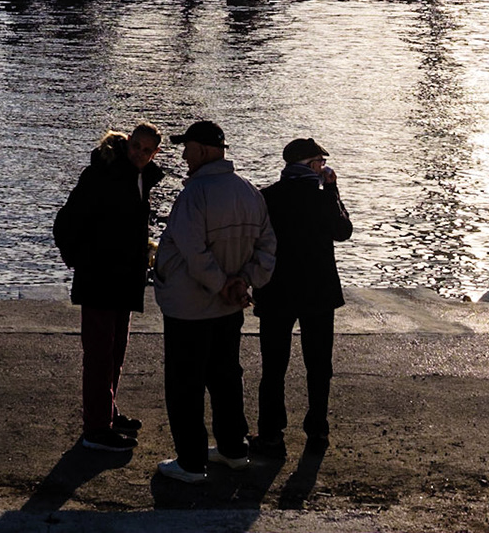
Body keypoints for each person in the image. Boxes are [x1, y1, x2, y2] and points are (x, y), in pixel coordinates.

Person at [151, 120, 277, 484]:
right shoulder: (250, 193)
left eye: (187, 147)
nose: (183, 154)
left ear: (204, 151)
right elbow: (268, 248)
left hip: (189, 308)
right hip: (228, 308)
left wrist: (222, 285)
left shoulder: (195, 194)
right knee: (225, 377)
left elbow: (193, 251)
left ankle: (190, 463)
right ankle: (233, 448)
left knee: (185, 383)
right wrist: (245, 283)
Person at [53, 122, 164, 452]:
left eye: (147, 151)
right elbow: (66, 223)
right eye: (137, 147)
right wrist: (84, 261)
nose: (141, 155)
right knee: (101, 354)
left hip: (123, 277)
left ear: (155, 152)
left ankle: (106, 414)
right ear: (128, 142)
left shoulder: (138, 177)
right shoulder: (102, 175)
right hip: (102, 277)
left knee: (114, 352)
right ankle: (96, 427)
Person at [250, 137, 352, 457]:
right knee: (319, 364)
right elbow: (343, 231)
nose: (323, 168)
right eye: (320, 163)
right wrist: (334, 190)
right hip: (318, 292)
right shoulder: (322, 198)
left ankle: (270, 431)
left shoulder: (265, 197)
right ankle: (317, 428)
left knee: (274, 365)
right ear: (310, 165)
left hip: (275, 290)